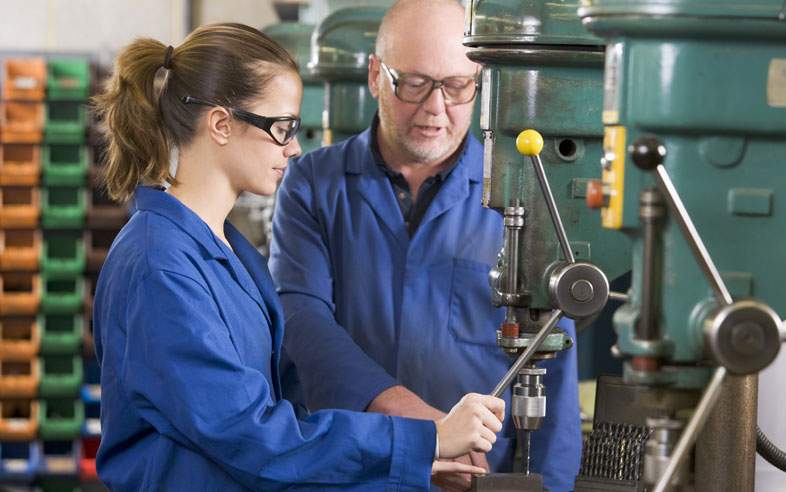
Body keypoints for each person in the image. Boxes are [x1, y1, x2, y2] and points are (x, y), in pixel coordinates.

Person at [91, 22, 506, 491]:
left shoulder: (228, 252)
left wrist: (404, 467)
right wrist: (424, 440)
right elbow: (252, 436)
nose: (294, 147)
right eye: (282, 128)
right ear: (222, 124)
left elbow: (284, 430)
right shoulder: (159, 265)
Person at [269, 1, 581, 490]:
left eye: (456, 86)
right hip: (346, 472)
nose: (436, 109)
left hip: (476, 479)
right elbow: (301, 320)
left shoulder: (523, 194)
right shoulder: (312, 184)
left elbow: (554, 369)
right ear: (375, 76)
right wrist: (425, 429)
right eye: (413, 84)